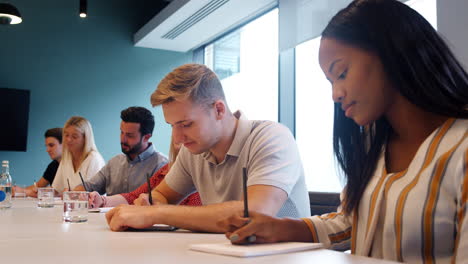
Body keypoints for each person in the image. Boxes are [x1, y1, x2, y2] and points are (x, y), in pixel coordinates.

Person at [219, 0, 468, 263]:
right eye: (330, 81)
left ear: (390, 51)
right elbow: (353, 221)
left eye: (342, 73)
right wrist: (281, 228)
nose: (335, 94)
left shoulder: (460, 149)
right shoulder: (377, 146)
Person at [105, 63, 310, 233]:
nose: (177, 138)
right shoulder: (193, 151)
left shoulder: (272, 137)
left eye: (186, 124)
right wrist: (149, 204)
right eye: (172, 126)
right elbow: (161, 196)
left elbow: (254, 213)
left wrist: (156, 213)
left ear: (219, 110)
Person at [74, 107, 168, 196]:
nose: (123, 139)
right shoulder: (114, 162)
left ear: (146, 137)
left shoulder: (161, 165)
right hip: (109, 213)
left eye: (130, 135)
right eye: (121, 132)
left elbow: (157, 202)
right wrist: (72, 193)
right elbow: (89, 187)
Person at [88, 138, 201, 208]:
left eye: (186, 124)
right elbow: (135, 196)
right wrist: (103, 201)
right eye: (173, 126)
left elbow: (197, 215)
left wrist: (153, 213)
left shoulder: (201, 175)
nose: (123, 139)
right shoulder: (166, 170)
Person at [52, 116, 105, 193]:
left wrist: (69, 194)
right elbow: (56, 190)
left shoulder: (94, 159)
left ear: (85, 138)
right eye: (66, 135)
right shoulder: (66, 158)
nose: (69, 140)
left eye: (74, 136)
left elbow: (93, 195)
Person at [13, 128, 63, 197]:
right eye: (46, 146)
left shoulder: (73, 165)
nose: (47, 150)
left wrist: (23, 192)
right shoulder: (53, 165)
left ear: (64, 145)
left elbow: (58, 192)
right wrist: (17, 190)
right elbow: (38, 186)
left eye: (51, 145)